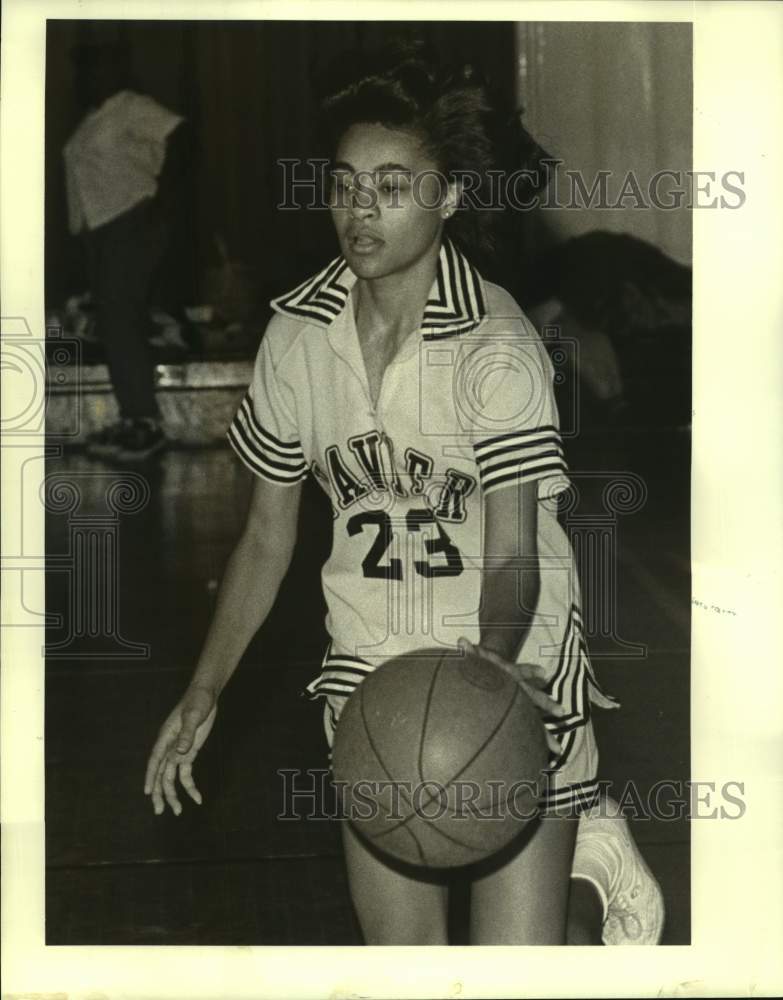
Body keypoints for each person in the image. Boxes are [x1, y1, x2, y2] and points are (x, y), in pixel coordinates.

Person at [144, 42, 663, 945]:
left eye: (391, 186)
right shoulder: (296, 340)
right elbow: (267, 538)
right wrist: (204, 688)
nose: (359, 209)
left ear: (449, 196)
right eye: (345, 184)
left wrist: (489, 665)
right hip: (373, 665)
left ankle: (585, 864)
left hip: (509, 652)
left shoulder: (496, 343)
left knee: (514, 970)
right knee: (407, 964)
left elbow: (510, 553)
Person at [63, 40, 192, 461]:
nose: (93, 75)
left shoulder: (131, 105)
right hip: (97, 231)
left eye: (101, 65)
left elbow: (181, 136)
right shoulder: (91, 118)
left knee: (121, 320)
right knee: (118, 322)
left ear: (117, 68)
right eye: (87, 67)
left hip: (131, 220)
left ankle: (144, 422)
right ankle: (134, 417)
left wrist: (162, 206)